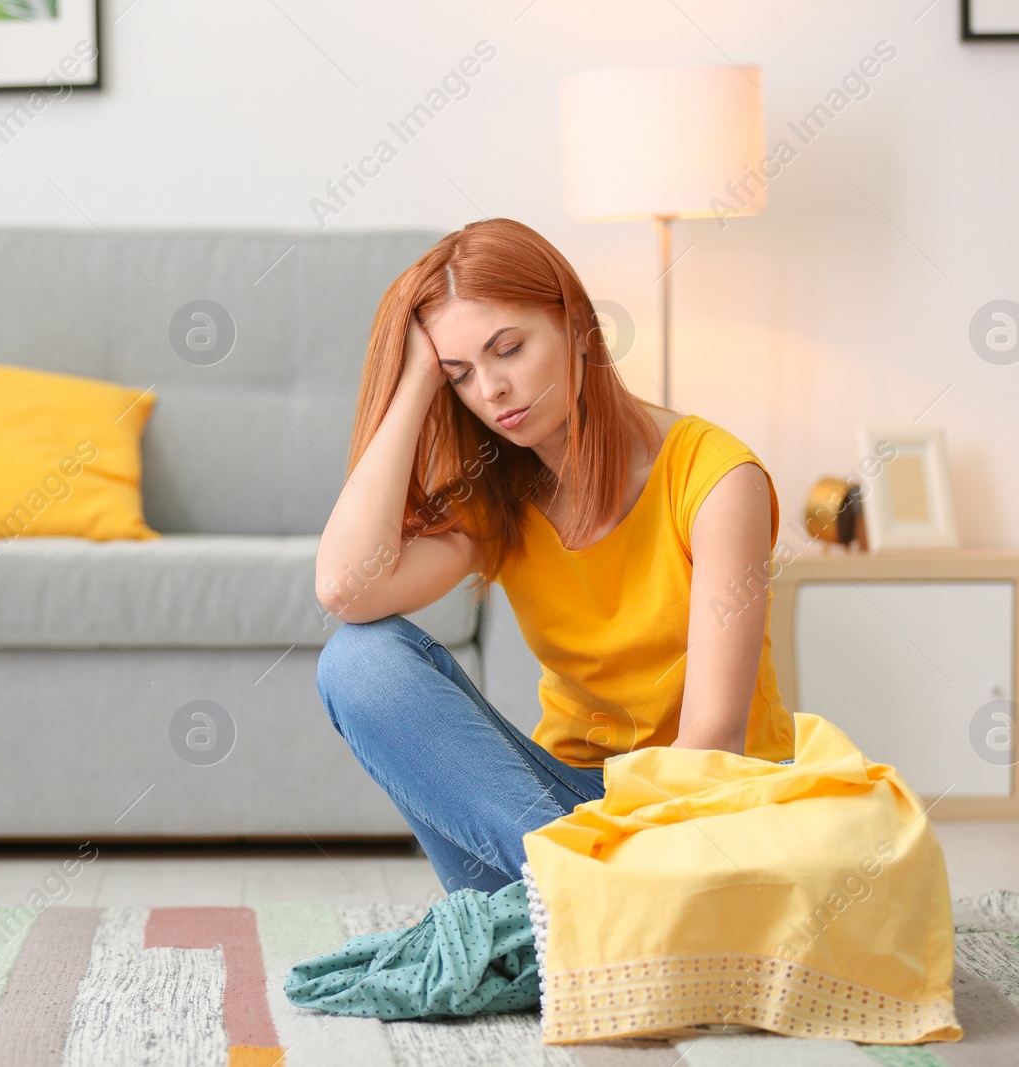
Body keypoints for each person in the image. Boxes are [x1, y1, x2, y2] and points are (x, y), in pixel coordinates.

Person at [313, 217, 795, 895]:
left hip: (697, 813)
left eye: (506, 349)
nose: (491, 391)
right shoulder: (499, 493)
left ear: (576, 326)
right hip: (548, 823)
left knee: (561, 883)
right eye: (461, 375)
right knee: (357, 659)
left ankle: (562, 906)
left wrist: (622, 846)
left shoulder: (715, 479)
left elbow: (715, 739)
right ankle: (573, 900)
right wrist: (415, 382)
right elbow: (344, 588)